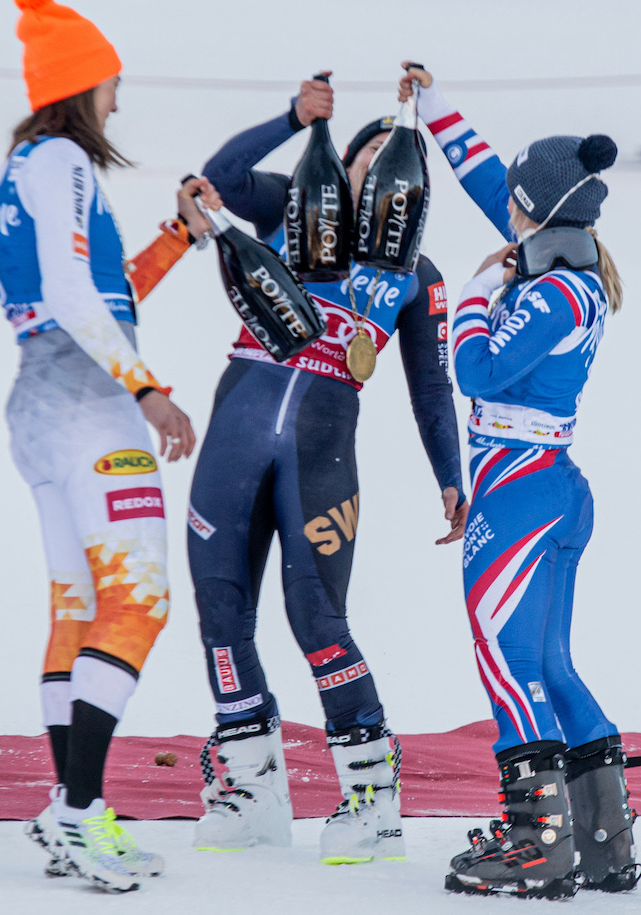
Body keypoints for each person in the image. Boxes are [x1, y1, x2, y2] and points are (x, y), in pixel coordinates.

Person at [187, 73, 468, 864]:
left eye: (394, 160)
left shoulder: (419, 274)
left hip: (319, 453)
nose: (379, 170)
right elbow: (222, 178)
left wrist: (450, 474)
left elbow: (431, 387)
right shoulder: (284, 206)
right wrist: (291, 117)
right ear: (341, 165)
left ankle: (371, 797)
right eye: (367, 153)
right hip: (234, 436)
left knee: (317, 619)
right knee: (220, 610)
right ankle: (250, 785)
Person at [0, 0, 218, 893]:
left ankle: (69, 810)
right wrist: (150, 391)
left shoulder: (17, 173)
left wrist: (176, 236)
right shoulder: (66, 163)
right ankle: (78, 815)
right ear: (80, 86)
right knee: (139, 603)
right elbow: (82, 301)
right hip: (90, 409)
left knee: (77, 612)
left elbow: (91, 298)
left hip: (39, 406)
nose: (119, 96)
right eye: (111, 81)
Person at [399, 64, 636, 898]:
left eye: (515, 202)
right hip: (546, 487)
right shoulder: (560, 265)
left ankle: (538, 842)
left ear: (538, 214)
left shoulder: (555, 292)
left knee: (506, 662)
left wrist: (469, 290)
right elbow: (491, 180)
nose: (502, 208)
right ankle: (601, 839)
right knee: (546, 662)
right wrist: (433, 108)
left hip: (523, 493)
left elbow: (475, 369)